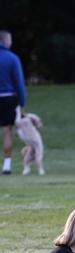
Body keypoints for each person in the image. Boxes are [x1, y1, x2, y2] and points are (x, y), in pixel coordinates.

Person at [0, 30, 26, 175]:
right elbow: (19, 82)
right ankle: (7, 166)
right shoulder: (12, 58)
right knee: (7, 131)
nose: (11, 42)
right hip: (7, 97)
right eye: (10, 40)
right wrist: (22, 102)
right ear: (4, 41)